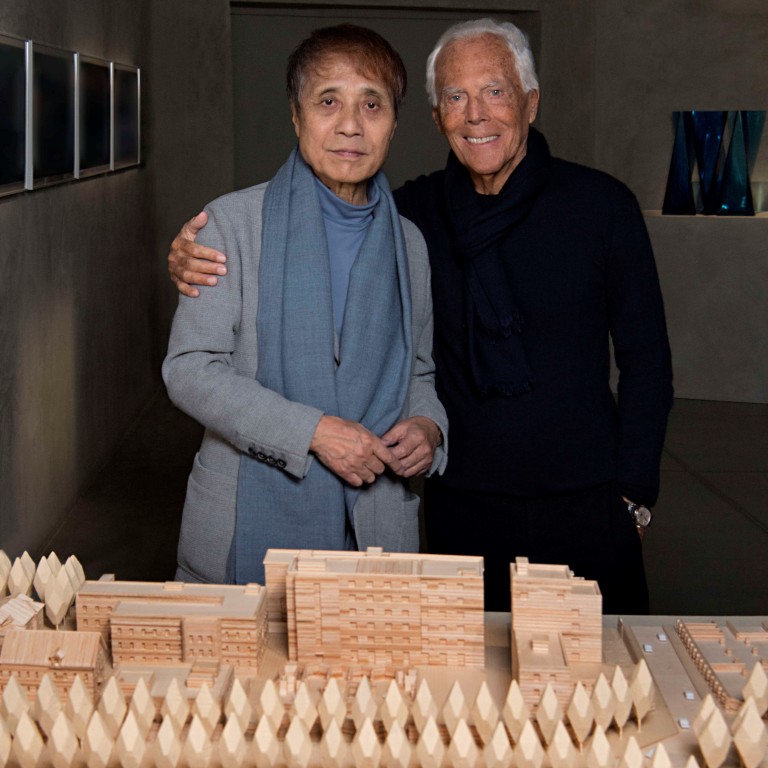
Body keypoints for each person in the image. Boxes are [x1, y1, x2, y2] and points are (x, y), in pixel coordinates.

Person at [168, 19, 673, 613]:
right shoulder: (405, 217)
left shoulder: (584, 209)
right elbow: (193, 365)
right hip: (459, 507)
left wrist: (633, 497)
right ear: (437, 117)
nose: (475, 114)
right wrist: (183, 256)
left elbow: (646, 363)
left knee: (599, 685)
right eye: (455, 97)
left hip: (582, 500)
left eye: (495, 91)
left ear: (530, 102)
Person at [163, 24, 447, 585]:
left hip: (376, 528)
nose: (350, 125)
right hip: (245, 522)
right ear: (297, 117)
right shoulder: (230, 225)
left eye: (372, 103)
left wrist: (427, 426)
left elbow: (418, 371)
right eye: (328, 101)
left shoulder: (408, 244)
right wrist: (313, 431)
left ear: (393, 123)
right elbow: (190, 370)